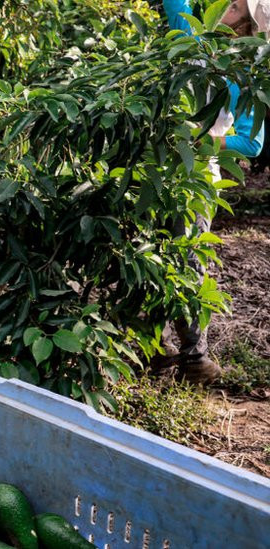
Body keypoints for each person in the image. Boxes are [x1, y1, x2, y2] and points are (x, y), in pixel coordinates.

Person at [154, 0, 267, 384]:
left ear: (249, 26)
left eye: (235, 6)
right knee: (147, 251)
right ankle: (149, 345)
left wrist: (203, 142)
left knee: (185, 258)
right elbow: (176, 4)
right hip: (156, 166)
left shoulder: (250, 72)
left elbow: (251, 143)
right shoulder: (195, 42)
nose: (225, 7)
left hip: (197, 174)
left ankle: (195, 359)